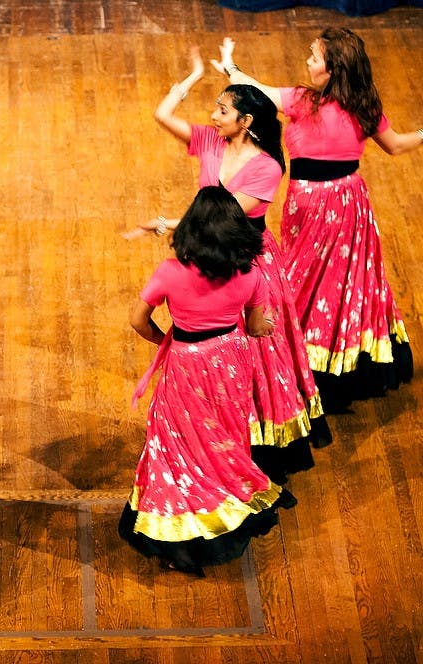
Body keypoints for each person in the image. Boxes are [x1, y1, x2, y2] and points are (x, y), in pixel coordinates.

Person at [128, 49, 330, 483]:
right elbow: (162, 113)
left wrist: (166, 224)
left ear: (247, 121)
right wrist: (193, 76)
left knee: (254, 345)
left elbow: (225, 218)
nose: (213, 115)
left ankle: (253, 432)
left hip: (247, 260)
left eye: (223, 110)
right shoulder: (207, 140)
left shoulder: (269, 167)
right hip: (207, 254)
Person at [213, 29, 421, 411]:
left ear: (333, 68)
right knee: (303, 277)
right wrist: (230, 67)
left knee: (339, 284)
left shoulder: (362, 106)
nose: (308, 61)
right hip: (307, 208)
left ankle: (320, 364)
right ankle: (299, 356)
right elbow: (256, 91)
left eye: (315, 56)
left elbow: (395, 145)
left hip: (345, 206)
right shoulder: (301, 99)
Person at [121, 187, 296, 575]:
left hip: (186, 363)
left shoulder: (169, 272)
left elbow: (137, 320)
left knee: (176, 444)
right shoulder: (251, 275)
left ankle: (181, 530)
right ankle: (224, 509)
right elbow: (255, 327)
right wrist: (264, 325)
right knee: (224, 437)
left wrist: (165, 339)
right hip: (231, 363)